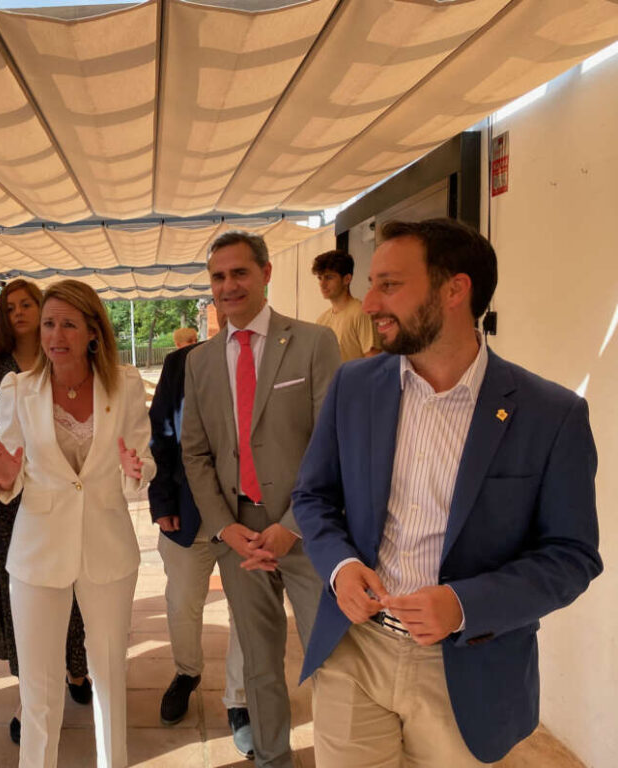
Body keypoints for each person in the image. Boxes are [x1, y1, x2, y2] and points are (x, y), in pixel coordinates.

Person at [292, 218, 603, 766]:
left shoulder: (551, 415)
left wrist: (463, 606)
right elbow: (313, 496)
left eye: (390, 285)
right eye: (371, 285)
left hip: (468, 669)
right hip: (355, 649)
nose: (370, 303)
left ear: (455, 289)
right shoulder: (354, 387)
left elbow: (572, 556)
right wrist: (340, 567)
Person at [181, 230, 341, 768]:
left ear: (266, 273)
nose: (228, 285)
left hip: (307, 531)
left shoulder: (314, 343)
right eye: (218, 276)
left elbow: (332, 443)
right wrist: (224, 528)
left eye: (239, 273)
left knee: (332, 657)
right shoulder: (200, 362)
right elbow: (195, 453)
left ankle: (343, 755)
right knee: (259, 662)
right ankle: (273, 758)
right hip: (239, 535)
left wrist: (292, 525)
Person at [0, 279, 155, 768]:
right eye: (49, 324)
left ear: (93, 331)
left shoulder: (124, 384)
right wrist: (6, 478)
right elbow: (11, 473)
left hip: (109, 549)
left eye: (69, 325)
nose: (56, 335)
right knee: (38, 690)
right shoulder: (17, 388)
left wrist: (135, 469)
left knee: (109, 679)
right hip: (37, 552)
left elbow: (142, 457)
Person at [0, 278, 93, 745]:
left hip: (66, 496)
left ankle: (76, 669)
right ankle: (29, 693)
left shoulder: (64, 355)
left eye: (28, 304)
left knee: (75, 586)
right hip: (11, 501)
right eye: (11, 306)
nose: (19, 312)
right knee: (24, 599)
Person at [149, 323, 253, 758]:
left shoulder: (271, 357)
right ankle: (187, 672)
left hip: (250, 515)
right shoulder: (182, 363)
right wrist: (162, 500)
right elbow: (161, 435)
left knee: (246, 611)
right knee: (182, 603)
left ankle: (240, 700)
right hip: (187, 511)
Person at [312, 249, 380, 361]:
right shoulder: (321, 320)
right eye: (320, 278)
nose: (322, 284)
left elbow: (374, 362)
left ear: (347, 279)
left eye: (329, 277)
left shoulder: (361, 313)